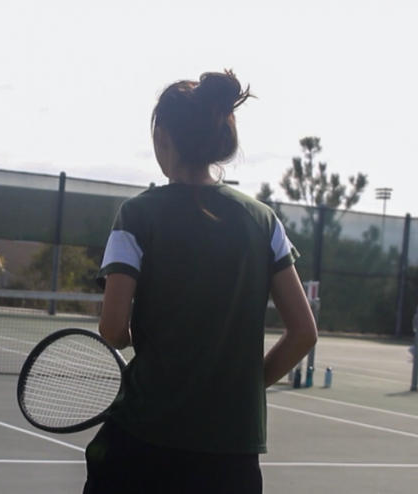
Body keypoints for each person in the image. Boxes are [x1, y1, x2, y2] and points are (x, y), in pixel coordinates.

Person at [85, 70, 318, 493]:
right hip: (233, 454)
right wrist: (242, 384)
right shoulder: (263, 221)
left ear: (162, 140)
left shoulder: (136, 216)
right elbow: (303, 333)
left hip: (144, 441)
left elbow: (113, 329)